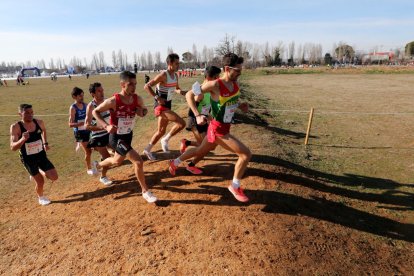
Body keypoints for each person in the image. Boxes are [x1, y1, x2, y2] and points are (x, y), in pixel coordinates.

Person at [168, 53, 251, 202]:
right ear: (227, 68)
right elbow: (189, 95)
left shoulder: (235, 84)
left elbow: (229, 101)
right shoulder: (215, 85)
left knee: (200, 150)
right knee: (245, 155)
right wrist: (197, 114)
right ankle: (235, 185)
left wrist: (240, 105)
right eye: (237, 70)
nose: (240, 72)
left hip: (220, 127)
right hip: (218, 130)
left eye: (241, 70)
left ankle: (175, 162)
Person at [91, 71, 157, 203]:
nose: (134, 87)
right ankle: (145, 191)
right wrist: (106, 126)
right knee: (138, 161)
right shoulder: (114, 101)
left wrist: (142, 111)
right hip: (116, 137)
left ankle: (97, 165)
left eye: (135, 84)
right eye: (130, 84)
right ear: (122, 84)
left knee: (116, 161)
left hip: (128, 136)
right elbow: (95, 111)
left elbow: (142, 111)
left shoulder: (137, 99)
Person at [10, 104, 58, 205]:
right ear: (20, 114)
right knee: (40, 181)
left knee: (54, 177)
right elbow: (13, 147)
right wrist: (23, 139)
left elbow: (44, 131)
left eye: (31, 112)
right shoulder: (16, 127)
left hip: (41, 155)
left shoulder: (39, 122)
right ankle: (41, 198)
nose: (30, 115)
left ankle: (38, 170)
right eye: (26, 113)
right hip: (28, 158)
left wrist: (45, 143)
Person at [142, 53, 186, 160]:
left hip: (168, 105)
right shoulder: (163, 75)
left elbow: (176, 88)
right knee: (181, 123)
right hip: (160, 106)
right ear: (169, 63)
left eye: (178, 63)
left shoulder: (175, 75)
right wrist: (157, 97)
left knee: (161, 131)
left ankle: (147, 150)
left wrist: (184, 92)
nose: (178, 65)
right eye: (176, 63)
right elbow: (146, 86)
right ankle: (165, 140)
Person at [180, 65, 221, 175]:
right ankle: (190, 165)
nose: (219, 79)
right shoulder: (200, 89)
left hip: (205, 119)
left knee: (210, 145)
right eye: (217, 77)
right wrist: (197, 115)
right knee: (204, 146)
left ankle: (187, 142)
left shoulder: (212, 89)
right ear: (209, 78)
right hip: (195, 119)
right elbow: (189, 98)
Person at [84, 82, 113, 186]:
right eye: (99, 91)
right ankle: (103, 177)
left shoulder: (107, 102)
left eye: (102, 90)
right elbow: (87, 126)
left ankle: (98, 164)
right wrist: (101, 127)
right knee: (107, 156)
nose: (102, 92)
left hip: (109, 132)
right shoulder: (91, 106)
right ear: (93, 94)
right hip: (98, 135)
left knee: (118, 153)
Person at [68, 87, 95, 175]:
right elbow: (70, 124)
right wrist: (81, 123)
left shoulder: (86, 105)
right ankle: (89, 168)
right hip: (80, 132)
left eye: (82, 95)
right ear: (74, 97)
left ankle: (103, 160)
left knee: (97, 146)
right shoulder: (73, 108)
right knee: (88, 151)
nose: (82, 97)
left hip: (88, 130)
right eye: (80, 96)